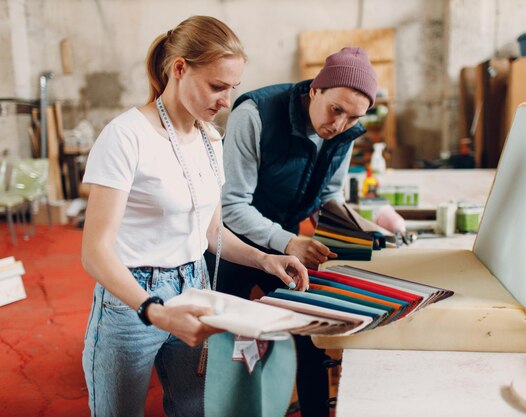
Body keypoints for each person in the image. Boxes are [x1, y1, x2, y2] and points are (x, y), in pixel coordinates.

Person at [81, 16, 308, 417]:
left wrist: (265, 259)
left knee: (195, 410)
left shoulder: (210, 139)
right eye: (217, 86)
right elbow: (96, 253)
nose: (226, 101)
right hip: (130, 300)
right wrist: (156, 311)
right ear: (180, 68)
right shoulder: (125, 136)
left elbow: (211, 230)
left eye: (232, 88)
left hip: (194, 287)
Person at [206, 46, 377, 417]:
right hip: (233, 238)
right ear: (315, 90)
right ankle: (223, 405)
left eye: (353, 117)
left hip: (286, 240)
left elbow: (331, 196)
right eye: (336, 110)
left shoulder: (345, 132)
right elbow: (232, 205)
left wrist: (360, 236)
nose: (340, 125)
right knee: (222, 332)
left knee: (311, 330)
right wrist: (288, 241)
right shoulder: (255, 114)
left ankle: (315, 411)